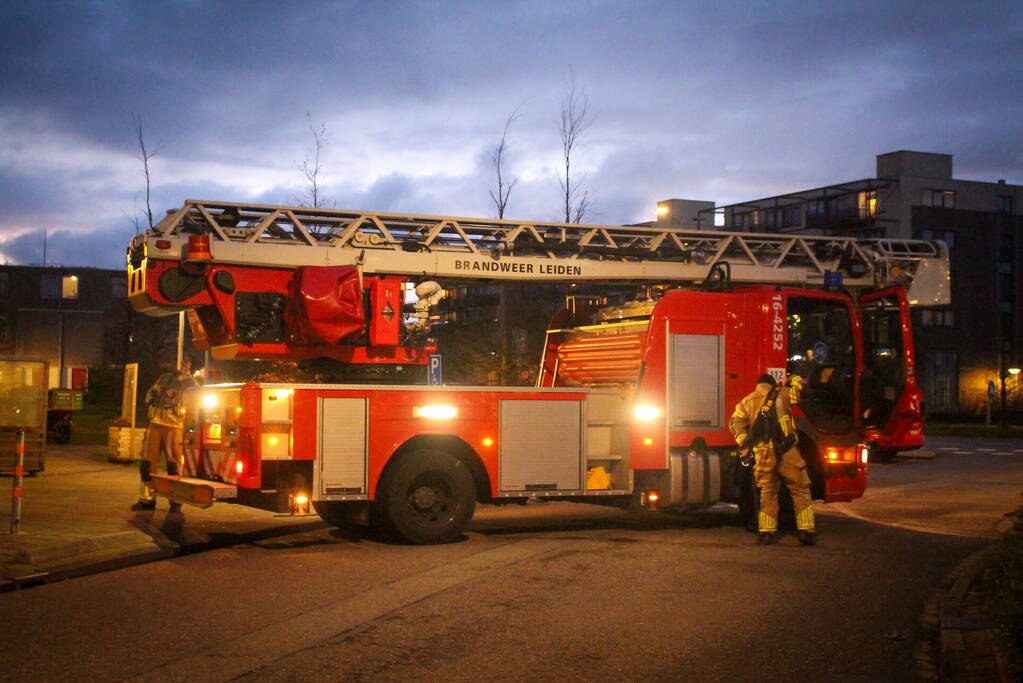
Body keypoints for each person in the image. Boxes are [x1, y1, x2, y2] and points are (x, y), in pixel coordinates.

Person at [729, 373, 817, 546]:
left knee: (767, 492)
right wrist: (792, 378)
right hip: (787, 450)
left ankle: (767, 533)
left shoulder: (747, 401)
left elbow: (735, 422)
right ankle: (806, 531)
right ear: (772, 384)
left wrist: (745, 443)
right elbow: (804, 392)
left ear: (758, 385)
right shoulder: (783, 393)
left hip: (763, 454)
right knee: (799, 489)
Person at [132, 356, 199, 512]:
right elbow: (150, 393)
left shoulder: (192, 384)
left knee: (173, 465)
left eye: (187, 362)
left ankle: (176, 502)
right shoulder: (165, 378)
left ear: (191, 366)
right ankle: (147, 499)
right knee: (147, 464)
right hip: (155, 423)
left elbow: (194, 405)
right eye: (182, 362)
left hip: (174, 426)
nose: (183, 365)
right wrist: (153, 397)